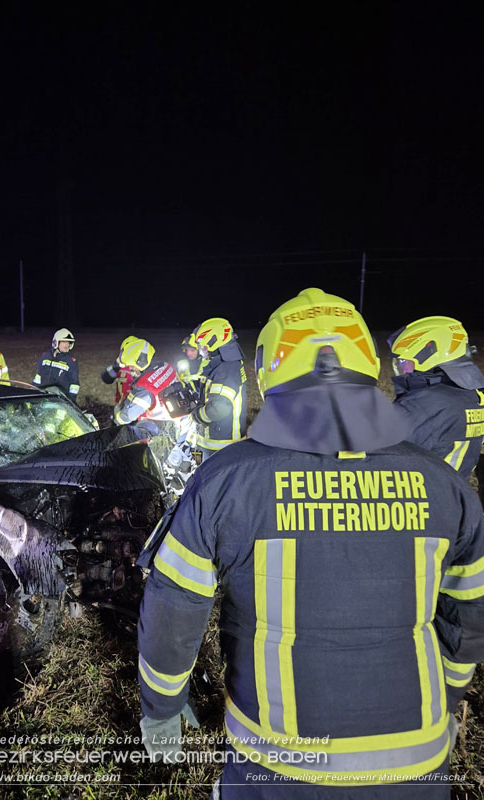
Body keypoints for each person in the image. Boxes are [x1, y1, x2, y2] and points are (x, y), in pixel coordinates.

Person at [138, 287, 484, 798]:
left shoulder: (225, 481)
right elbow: (468, 612)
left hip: (279, 767)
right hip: (418, 761)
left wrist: (162, 707)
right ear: (368, 365)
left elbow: (175, 605)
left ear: (269, 370)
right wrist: (449, 694)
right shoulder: (446, 485)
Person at [388, 316, 484, 481]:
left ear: (428, 354)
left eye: (404, 362)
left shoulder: (422, 405)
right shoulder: (475, 397)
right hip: (455, 491)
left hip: (422, 493)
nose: (402, 369)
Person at [188, 317, 247, 459]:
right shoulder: (224, 364)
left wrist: (197, 415)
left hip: (220, 445)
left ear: (213, 342)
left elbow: (218, 409)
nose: (202, 351)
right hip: (219, 441)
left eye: (203, 346)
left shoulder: (225, 370)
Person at [112, 336, 176, 427]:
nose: (131, 369)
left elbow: (129, 415)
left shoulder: (145, 387)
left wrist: (116, 420)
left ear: (141, 361)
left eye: (132, 366)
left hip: (159, 426)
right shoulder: (166, 366)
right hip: (176, 419)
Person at [32, 328, 80, 401]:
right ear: (56, 342)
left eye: (69, 342)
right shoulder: (45, 357)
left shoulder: (71, 362)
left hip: (60, 400)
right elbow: (38, 378)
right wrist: (33, 394)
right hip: (43, 397)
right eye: (64, 342)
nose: (67, 345)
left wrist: (70, 401)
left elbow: (74, 385)